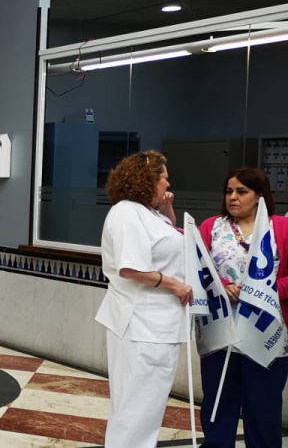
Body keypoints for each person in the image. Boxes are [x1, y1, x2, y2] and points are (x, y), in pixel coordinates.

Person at [94, 150, 192, 448]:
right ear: (147, 180)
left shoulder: (148, 213)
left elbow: (167, 245)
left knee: (147, 405)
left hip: (157, 324)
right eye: (164, 178)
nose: (168, 183)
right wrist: (174, 285)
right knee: (136, 406)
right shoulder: (127, 212)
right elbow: (130, 268)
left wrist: (169, 213)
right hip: (142, 325)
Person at [198, 168, 288, 448]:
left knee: (263, 405)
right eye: (229, 191)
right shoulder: (211, 227)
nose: (233, 197)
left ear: (259, 195)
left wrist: (261, 292)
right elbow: (197, 268)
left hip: (268, 333)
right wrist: (222, 286)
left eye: (241, 191)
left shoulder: (281, 227)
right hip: (220, 331)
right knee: (218, 403)